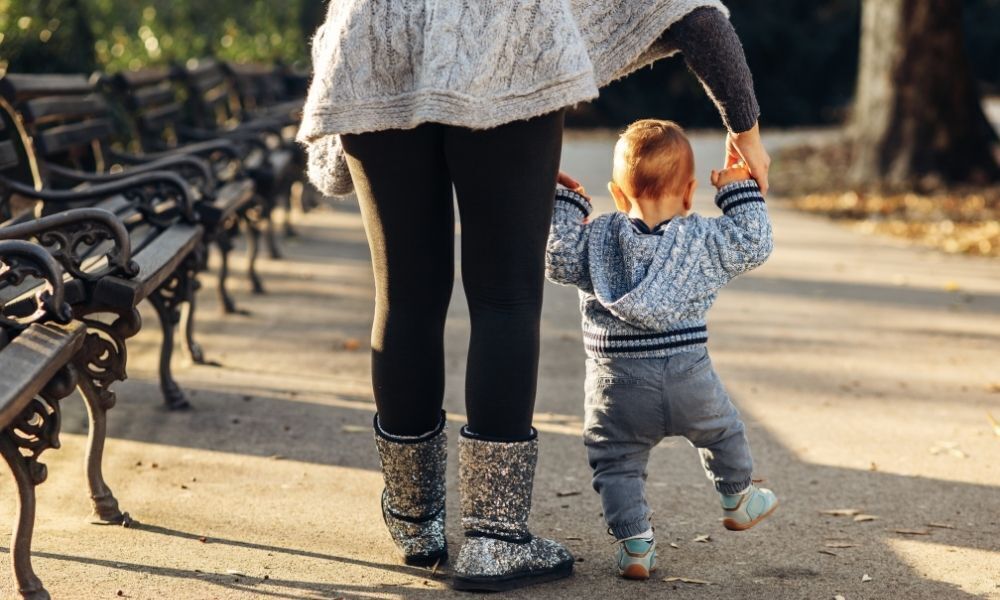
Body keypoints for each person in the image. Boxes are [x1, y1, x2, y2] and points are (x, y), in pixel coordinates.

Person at [298, 1, 770, 592]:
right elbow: (693, 16)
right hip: (506, 38)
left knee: (405, 296)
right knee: (504, 297)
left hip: (374, 37)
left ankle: (416, 522)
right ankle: (495, 540)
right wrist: (745, 131)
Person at [545, 119, 778, 581]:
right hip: (690, 380)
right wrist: (737, 189)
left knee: (616, 462)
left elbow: (556, 256)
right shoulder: (703, 241)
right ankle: (737, 496)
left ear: (616, 193)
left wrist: (563, 202)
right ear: (690, 194)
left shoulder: (596, 240)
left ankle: (635, 545)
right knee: (723, 431)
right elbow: (754, 242)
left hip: (618, 388)